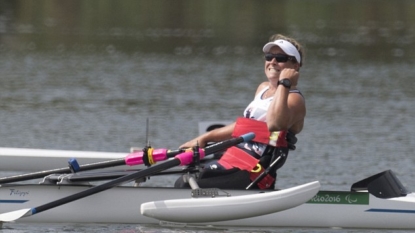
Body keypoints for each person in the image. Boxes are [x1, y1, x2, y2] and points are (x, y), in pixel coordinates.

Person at [176, 34, 306, 190]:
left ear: (295, 66)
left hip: (254, 171)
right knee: (187, 175)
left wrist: (284, 84)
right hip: (233, 157)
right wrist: (203, 138)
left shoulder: (295, 100)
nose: (272, 61)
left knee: (187, 183)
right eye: (269, 56)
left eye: (280, 58)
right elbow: (244, 127)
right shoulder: (262, 88)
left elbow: (275, 124)